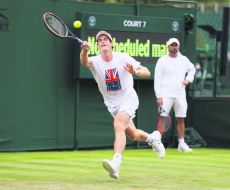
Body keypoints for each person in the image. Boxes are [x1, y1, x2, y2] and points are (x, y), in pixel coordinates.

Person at [79, 31, 165, 179]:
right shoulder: (94, 61)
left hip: (128, 99)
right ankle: (153, 138)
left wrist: (137, 71)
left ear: (112, 44)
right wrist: (84, 51)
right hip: (113, 105)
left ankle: (116, 164)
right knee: (133, 134)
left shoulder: (123, 57)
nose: (103, 41)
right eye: (100, 40)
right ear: (98, 45)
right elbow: (84, 62)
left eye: (106, 39)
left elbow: (147, 72)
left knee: (118, 124)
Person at [154, 37, 196, 153]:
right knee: (162, 119)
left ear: (178, 46)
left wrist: (188, 80)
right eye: (172, 45)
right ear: (168, 46)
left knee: (181, 118)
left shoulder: (184, 60)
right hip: (165, 94)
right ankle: (158, 145)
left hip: (180, 94)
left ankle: (181, 144)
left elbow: (192, 69)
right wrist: (158, 96)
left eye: (176, 45)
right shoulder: (162, 60)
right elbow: (157, 79)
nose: (174, 47)